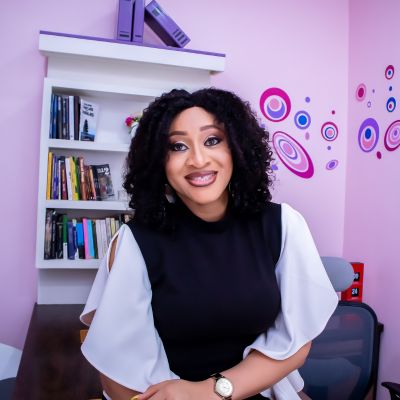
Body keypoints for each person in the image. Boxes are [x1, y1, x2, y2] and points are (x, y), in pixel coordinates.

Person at [80, 88, 338, 400]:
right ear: (159, 162)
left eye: (212, 140)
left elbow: (295, 342)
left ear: (237, 148)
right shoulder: (134, 243)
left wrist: (209, 392)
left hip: (256, 391)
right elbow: (119, 374)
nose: (198, 159)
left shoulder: (283, 225)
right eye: (177, 146)